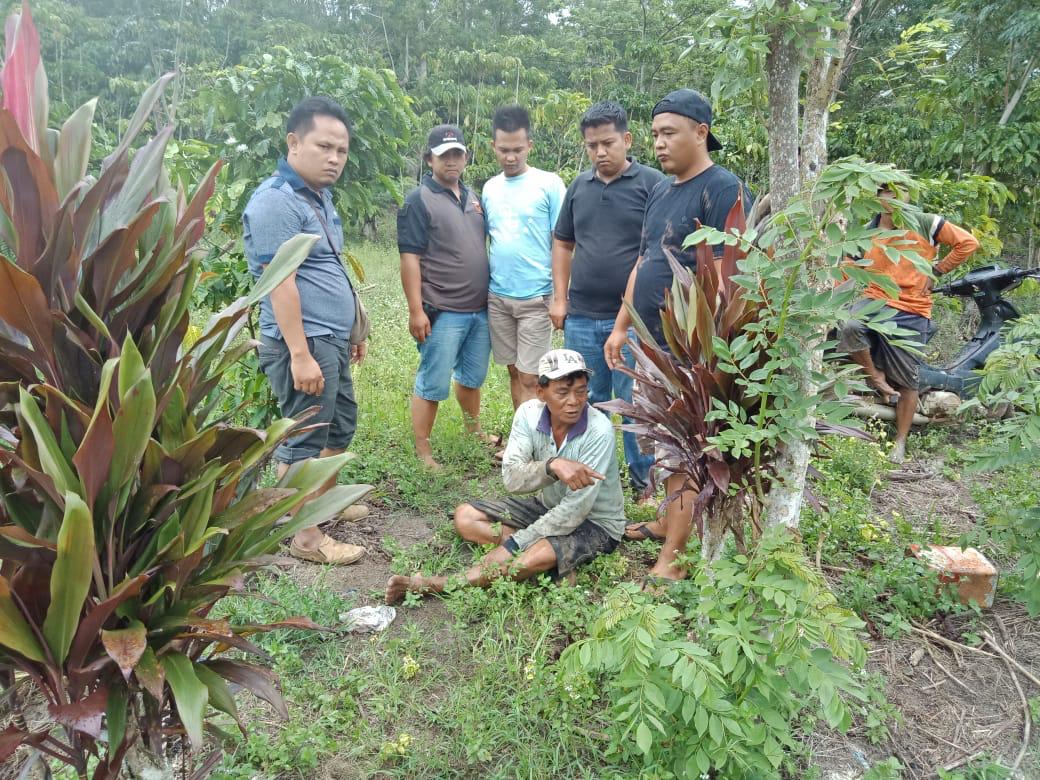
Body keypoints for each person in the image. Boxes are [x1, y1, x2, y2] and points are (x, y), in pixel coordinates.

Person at [603, 88, 752, 583]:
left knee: (684, 448)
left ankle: (675, 558)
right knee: (655, 441)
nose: (659, 145)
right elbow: (645, 261)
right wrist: (623, 325)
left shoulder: (723, 188)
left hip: (691, 348)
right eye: (655, 135)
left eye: (669, 133)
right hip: (651, 343)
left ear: (701, 132)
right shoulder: (662, 192)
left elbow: (733, 276)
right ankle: (669, 519)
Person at [384, 349, 626, 604]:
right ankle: (553, 559)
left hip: (595, 522)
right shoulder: (528, 414)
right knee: (465, 517)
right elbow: (511, 478)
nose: (574, 401)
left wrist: (512, 546)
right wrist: (551, 465)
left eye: (581, 391)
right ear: (541, 392)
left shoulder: (599, 430)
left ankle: (436, 585)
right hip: (547, 506)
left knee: (531, 558)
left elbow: (576, 510)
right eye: (563, 392)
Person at [244, 96, 370, 566]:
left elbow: (326, 270)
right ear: (294, 142)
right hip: (304, 341)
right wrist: (299, 353)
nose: (335, 158)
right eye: (324, 146)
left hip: (329, 338)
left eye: (342, 150)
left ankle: (320, 505)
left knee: (340, 424)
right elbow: (282, 283)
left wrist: (349, 333)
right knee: (305, 436)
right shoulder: (275, 202)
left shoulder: (317, 197)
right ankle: (306, 536)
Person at [549, 101, 665, 496]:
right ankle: (590, 478)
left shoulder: (652, 185)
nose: (600, 152)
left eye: (608, 143)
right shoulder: (579, 188)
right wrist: (559, 299)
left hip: (633, 320)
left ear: (627, 140)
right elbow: (563, 244)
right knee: (582, 399)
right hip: (581, 316)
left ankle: (644, 484)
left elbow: (652, 253)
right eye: (592, 145)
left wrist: (628, 315)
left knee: (635, 404)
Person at [838, 187, 979, 463]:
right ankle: (874, 376)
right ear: (876, 197)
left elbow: (968, 243)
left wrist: (937, 271)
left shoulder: (926, 223)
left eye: (898, 193)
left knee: (908, 379)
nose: (892, 199)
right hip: (875, 300)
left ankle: (900, 442)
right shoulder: (866, 232)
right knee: (848, 325)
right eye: (885, 193)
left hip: (912, 308)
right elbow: (846, 266)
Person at [397, 125, 494, 469]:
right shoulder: (418, 201)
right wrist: (415, 311)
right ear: (429, 159)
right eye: (444, 155)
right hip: (442, 311)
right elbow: (410, 259)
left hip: (479, 310)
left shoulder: (474, 198)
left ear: (466, 157)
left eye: (457, 154)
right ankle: (424, 451)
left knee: (472, 377)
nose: (452, 161)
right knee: (432, 382)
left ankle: (474, 431)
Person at [482, 105, 567, 412]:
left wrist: (560, 297)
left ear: (530, 145)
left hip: (536, 298)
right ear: (493, 146)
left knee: (532, 378)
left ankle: (533, 446)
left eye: (518, 149)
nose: (510, 157)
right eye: (503, 150)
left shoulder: (549, 184)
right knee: (514, 371)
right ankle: (521, 438)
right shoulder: (490, 188)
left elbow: (563, 242)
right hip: (499, 297)